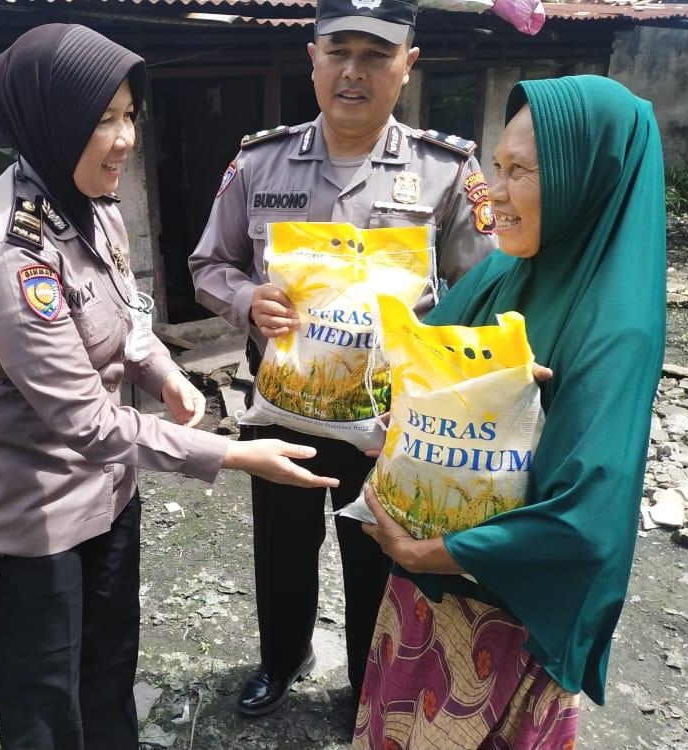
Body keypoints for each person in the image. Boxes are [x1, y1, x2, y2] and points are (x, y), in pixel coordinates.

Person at [0, 24, 339, 750]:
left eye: (129, 115)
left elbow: (128, 319)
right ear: (51, 122)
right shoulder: (8, 256)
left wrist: (163, 374)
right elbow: (87, 422)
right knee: (45, 701)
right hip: (26, 520)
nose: (124, 138)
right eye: (102, 119)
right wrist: (233, 454)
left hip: (107, 495)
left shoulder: (93, 206)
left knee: (110, 667)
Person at [188, 0, 496, 716]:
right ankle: (283, 656)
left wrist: (439, 361)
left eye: (375, 55)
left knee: (376, 558)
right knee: (282, 550)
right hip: (285, 405)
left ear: (407, 65)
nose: (353, 72)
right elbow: (208, 264)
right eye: (339, 52)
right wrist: (245, 301)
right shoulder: (261, 161)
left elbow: (483, 290)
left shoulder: (446, 171)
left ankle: (367, 683)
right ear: (312, 58)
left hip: (390, 418)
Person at [355, 75, 666, 749]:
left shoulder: (614, 330)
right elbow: (422, 368)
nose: (493, 193)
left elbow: (586, 523)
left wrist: (434, 551)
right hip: (419, 597)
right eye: (497, 166)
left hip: (500, 621)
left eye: (520, 171)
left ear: (588, 177)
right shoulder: (502, 272)